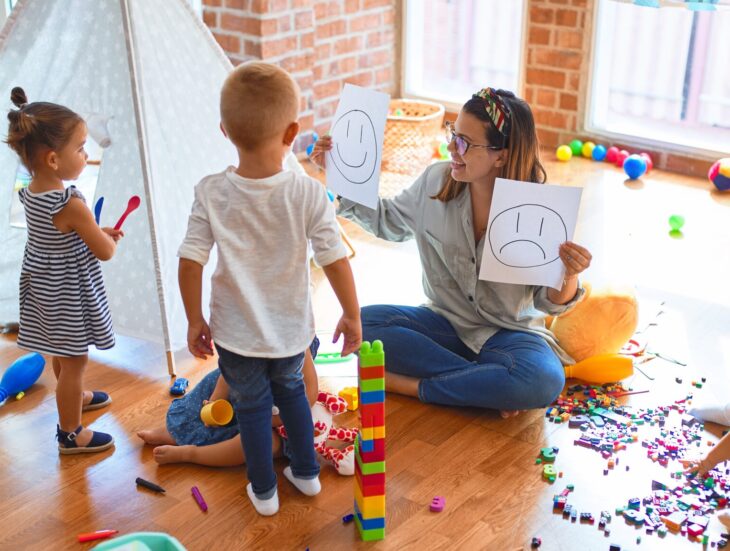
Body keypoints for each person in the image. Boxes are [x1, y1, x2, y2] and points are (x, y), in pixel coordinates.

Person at [311, 87, 592, 417]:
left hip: (510, 337)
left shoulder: (538, 210)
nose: (450, 147)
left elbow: (548, 303)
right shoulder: (435, 181)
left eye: (464, 143)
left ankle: (411, 386)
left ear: (500, 154)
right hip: (443, 326)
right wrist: (339, 175)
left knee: (544, 380)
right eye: (453, 134)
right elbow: (388, 221)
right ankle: (485, 387)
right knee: (366, 326)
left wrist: (569, 274)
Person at [177, 61, 361, 516]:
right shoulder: (307, 193)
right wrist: (351, 313)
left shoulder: (211, 192)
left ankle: (263, 491)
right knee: (294, 395)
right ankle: (306, 472)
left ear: (224, 130)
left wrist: (194, 318)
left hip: (236, 335)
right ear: (292, 131)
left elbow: (190, 260)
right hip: (290, 331)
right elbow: (334, 258)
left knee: (252, 408)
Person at [4, 87, 123, 453]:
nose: (87, 155)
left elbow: (63, 235)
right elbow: (103, 252)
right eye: (81, 148)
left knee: (62, 351)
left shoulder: (31, 192)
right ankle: (71, 432)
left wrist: (93, 229)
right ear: (54, 160)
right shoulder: (70, 201)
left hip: (43, 287)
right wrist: (108, 238)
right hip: (68, 290)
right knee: (75, 359)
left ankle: (76, 397)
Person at [137, 343, 319, 467]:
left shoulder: (297, 343)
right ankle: (177, 430)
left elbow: (309, 393)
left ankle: (191, 453)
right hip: (243, 399)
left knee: (260, 444)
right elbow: (228, 375)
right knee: (211, 384)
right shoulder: (246, 337)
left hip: (283, 414)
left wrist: (276, 419)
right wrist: (216, 401)